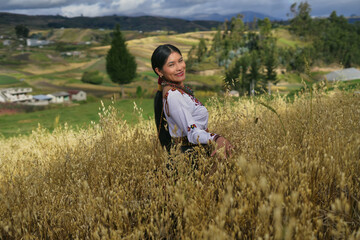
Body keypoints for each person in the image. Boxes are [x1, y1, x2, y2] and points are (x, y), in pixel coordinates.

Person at [152, 44, 233, 158]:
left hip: (194, 153)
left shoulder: (176, 91)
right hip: (191, 157)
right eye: (171, 65)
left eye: (180, 61)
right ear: (159, 71)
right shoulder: (174, 95)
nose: (179, 67)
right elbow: (192, 133)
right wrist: (217, 139)